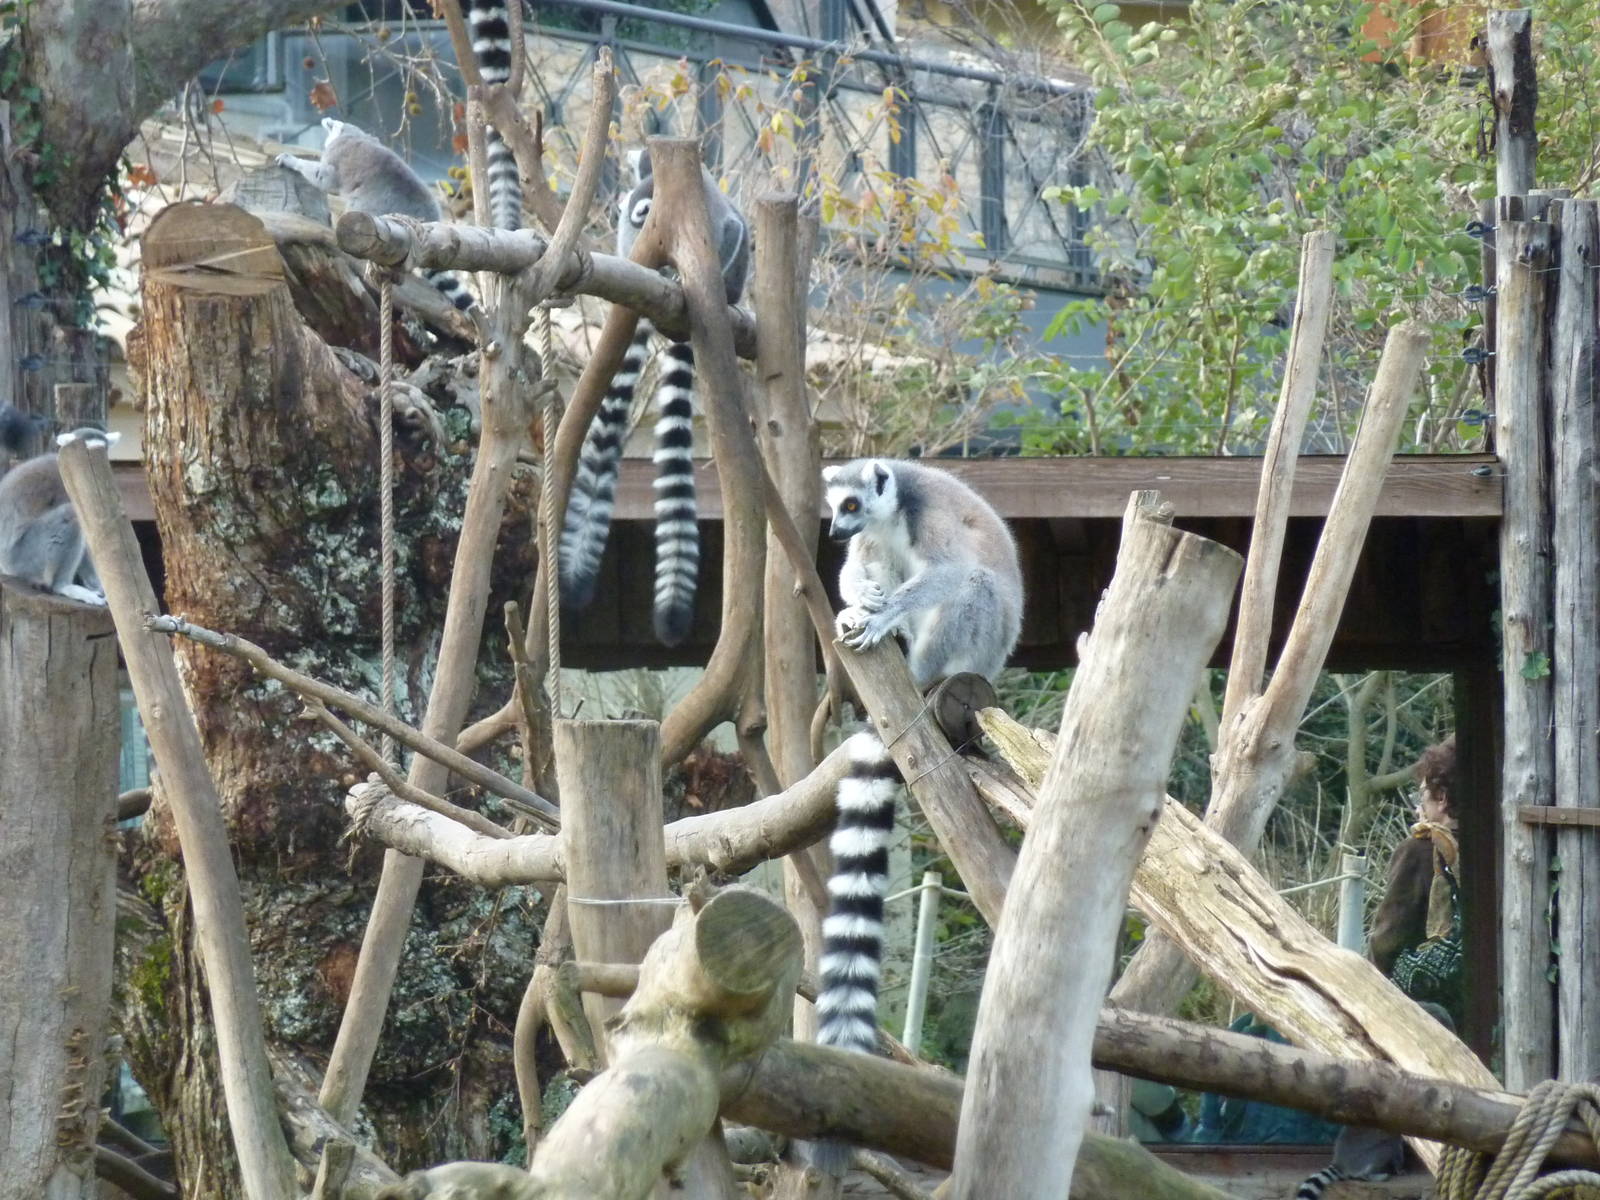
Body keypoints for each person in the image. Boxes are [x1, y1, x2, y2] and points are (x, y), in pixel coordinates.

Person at [1368, 736, 1463, 1028]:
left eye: (1422, 796)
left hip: (1423, 1014)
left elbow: (1386, 940)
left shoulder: (1419, 850)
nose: (1417, 808)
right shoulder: (1493, 846)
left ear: (1443, 798)